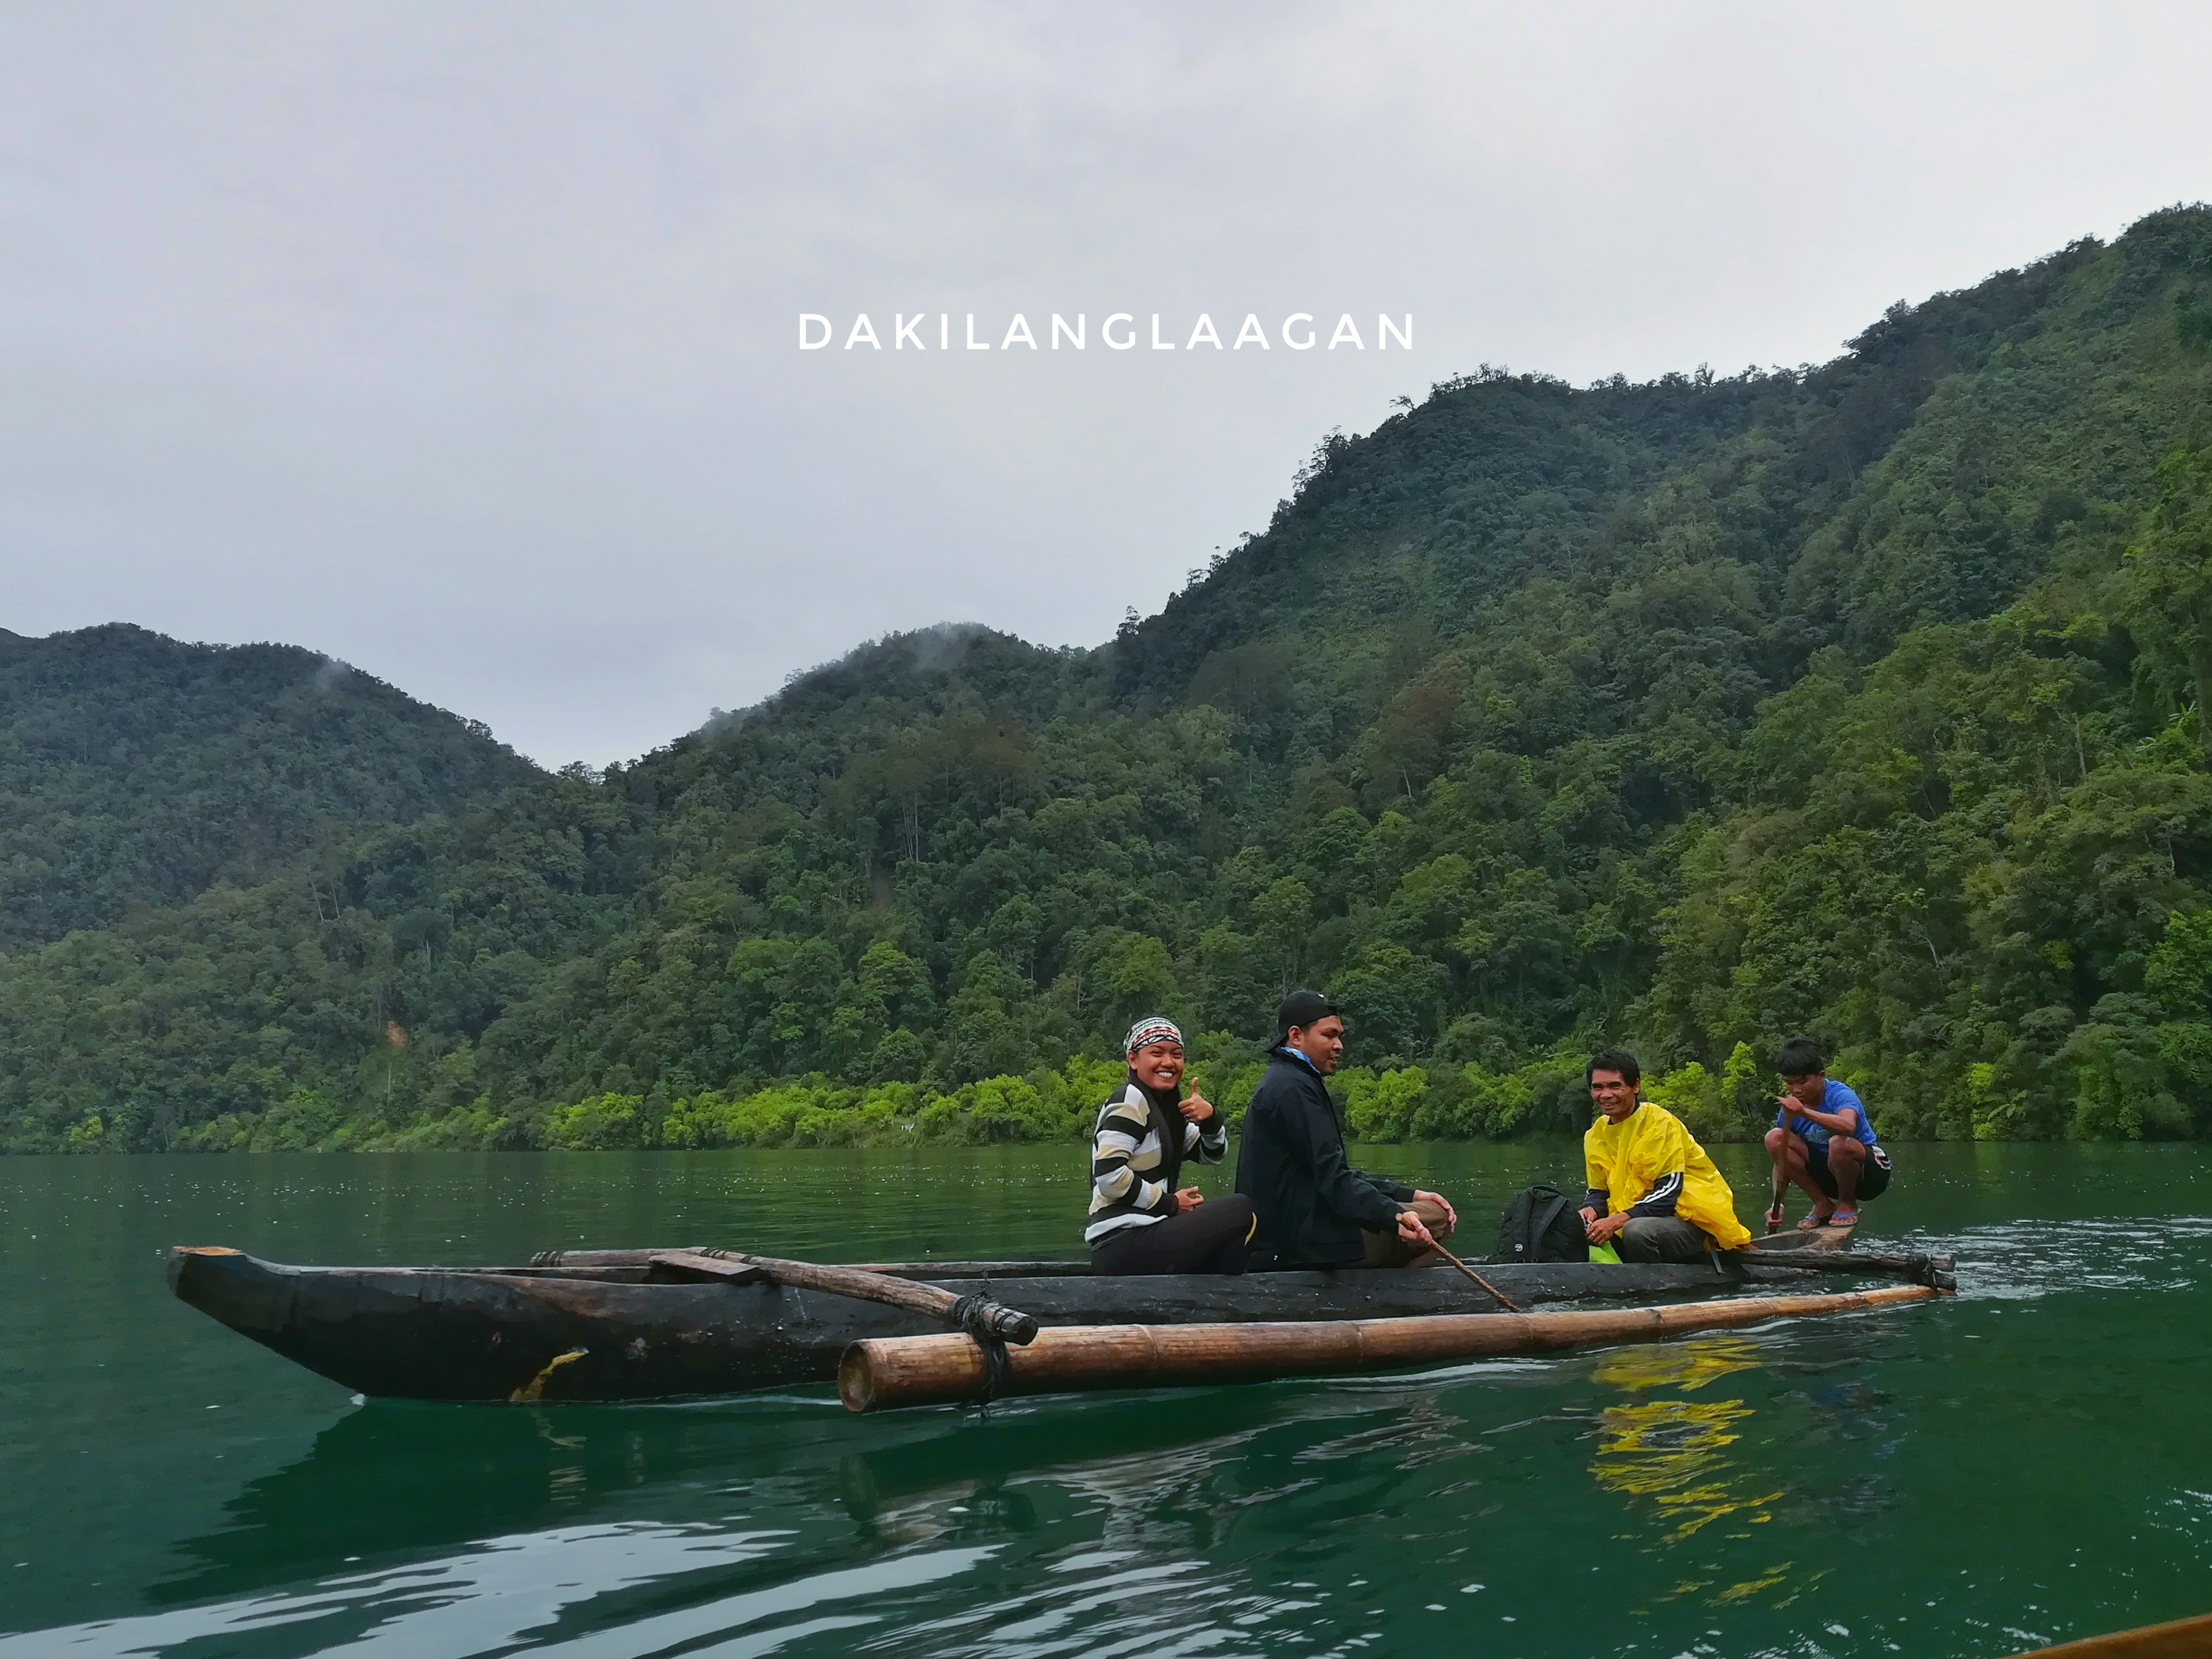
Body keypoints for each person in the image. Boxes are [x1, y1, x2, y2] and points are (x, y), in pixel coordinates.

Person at [1234, 990, 1459, 1269]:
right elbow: (1335, 1181)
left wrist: (1409, 1196)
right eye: (1329, 1035)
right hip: (1299, 1248)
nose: (1339, 1046)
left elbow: (1335, 1174)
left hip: (1301, 1234)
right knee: (1437, 1219)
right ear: (1296, 1036)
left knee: (1429, 1210)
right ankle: (1385, 1294)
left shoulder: (1291, 1081)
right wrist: (1393, 1217)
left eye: (1339, 1036)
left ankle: (1380, 1289)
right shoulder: (1292, 1089)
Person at [1086, 1016, 1255, 1275]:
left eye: (1176, 1055)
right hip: (1121, 1241)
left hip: (1142, 1237)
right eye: (1157, 1053)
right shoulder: (1131, 1099)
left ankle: (1211, 1293)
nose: (1168, 1062)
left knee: (1232, 1232)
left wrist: (1210, 1119)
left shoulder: (1166, 1111)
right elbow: (1110, 1177)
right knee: (1241, 1209)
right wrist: (1171, 1204)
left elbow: (1212, 1155)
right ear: (1133, 1059)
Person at [1580, 1047, 1753, 1262]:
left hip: (1691, 1220)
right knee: (1575, 1227)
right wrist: (1590, 1210)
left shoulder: (1659, 1123)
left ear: (1635, 1087)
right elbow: (1598, 1191)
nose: (1605, 1095)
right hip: (1635, 1217)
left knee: (1637, 1231)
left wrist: (1617, 1221)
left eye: (1615, 1086)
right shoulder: (1595, 1135)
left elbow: (1669, 1192)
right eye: (1598, 1087)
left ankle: (1655, 1280)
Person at [1763, 1038, 1892, 1230]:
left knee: (1838, 1144)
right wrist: (1777, 1204)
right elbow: (1781, 1160)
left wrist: (1804, 1112)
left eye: (1803, 1082)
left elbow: (1848, 1126)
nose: (1796, 1090)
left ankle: (1847, 1203)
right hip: (1830, 1177)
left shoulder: (1840, 1094)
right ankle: (1823, 1205)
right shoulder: (1790, 1110)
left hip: (1869, 1176)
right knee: (1775, 1138)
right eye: (1789, 1083)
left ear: (1821, 1076)